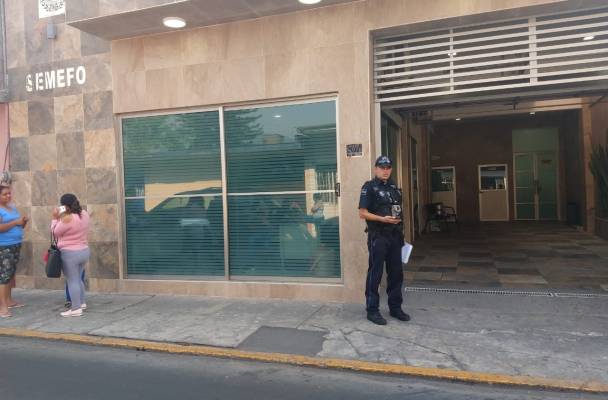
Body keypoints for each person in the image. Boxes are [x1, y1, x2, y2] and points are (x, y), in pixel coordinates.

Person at [358, 156, 410, 325]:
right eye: (382, 167)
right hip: (378, 236)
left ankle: (395, 308)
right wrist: (382, 219)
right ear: (376, 169)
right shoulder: (369, 187)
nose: (385, 170)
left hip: (395, 236)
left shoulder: (394, 187)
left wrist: (400, 229)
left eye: (388, 167)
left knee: (396, 273)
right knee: (376, 273)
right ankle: (372, 310)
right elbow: (362, 213)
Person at [51, 194, 90, 318]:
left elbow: (55, 232)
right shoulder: (84, 213)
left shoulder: (67, 219)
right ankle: (82, 303)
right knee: (78, 279)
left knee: (72, 280)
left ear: (65, 206)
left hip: (70, 254)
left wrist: (55, 219)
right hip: (84, 251)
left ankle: (76, 308)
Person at [0, 185, 28, 318]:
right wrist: (15, 222)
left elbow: (19, 225)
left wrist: (23, 222)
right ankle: (2, 306)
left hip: (15, 244)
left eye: (9, 193)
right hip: (4, 246)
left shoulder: (12, 207)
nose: (8, 196)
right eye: (5, 194)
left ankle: (9, 300)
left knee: (11, 274)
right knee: (4, 276)